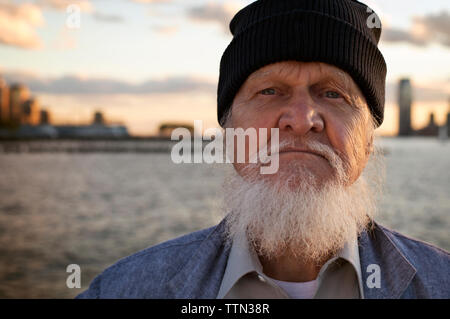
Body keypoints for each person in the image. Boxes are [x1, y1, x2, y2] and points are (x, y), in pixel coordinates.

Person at [76, 0, 450, 299]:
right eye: (270, 91)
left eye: (333, 94)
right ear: (229, 132)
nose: (302, 120)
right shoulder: (122, 290)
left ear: (368, 142)